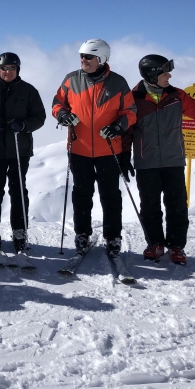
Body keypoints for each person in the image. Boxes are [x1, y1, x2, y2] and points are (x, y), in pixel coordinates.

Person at [124, 55, 195, 265]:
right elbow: (126, 131)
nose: (169, 76)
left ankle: (176, 246)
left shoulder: (177, 95)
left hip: (174, 160)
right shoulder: (134, 98)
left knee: (177, 205)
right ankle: (155, 244)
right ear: (152, 74)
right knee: (150, 206)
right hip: (147, 162)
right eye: (164, 72)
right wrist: (124, 156)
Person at [51, 39, 137, 258]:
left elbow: (130, 110)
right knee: (81, 194)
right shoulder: (72, 80)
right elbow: (57, 103)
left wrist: (119, 126)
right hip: (79, 148)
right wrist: (62, 115)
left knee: (110, 196)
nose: (83, 60)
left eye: (88, 57)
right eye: (81, 56)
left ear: (101, 59)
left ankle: (113, 237)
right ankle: (82, 234)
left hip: (108, 150)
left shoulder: (117, 83)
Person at [0, 52, 46, 251]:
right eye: (4, 68)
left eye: (12, 68)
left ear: (18, 69)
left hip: (19, 148)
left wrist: (24, 125)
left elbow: (39, 116)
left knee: (17, 189)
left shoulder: (28, 91)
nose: (8, 72)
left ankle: (19, 230)